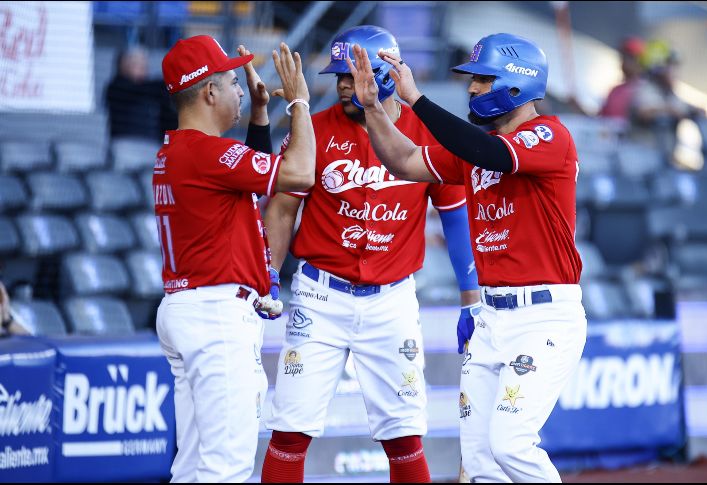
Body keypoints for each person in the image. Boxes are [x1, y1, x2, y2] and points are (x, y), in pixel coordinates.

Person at [347, 33, 587, 482]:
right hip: (491, 317)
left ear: (516, 83)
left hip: (544, 316)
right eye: (471, 80)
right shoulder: (476, 150)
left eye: (482, 78)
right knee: (479, 462)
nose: (472, 89)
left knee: (511, 443)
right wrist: (373, 110)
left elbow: (489, 153)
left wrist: (416, 99)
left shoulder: (549, 134)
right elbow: (403, 161)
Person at [259, 25, 479, 484]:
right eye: (337, 75)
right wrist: (264, 278)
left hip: (391, 298)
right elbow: (281, 209)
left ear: (381, 75)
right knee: (289, 431)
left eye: (350, 74)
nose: (340, 84)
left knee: (404, 437)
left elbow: (457, 220)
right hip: (320, 294)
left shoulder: (427, 131)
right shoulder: (313, 128)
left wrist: (470, 298)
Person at [153, 35, 315, 482]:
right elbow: (300, 174)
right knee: (226, 469)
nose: (242, 88)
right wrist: (299, 103)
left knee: (192, 467)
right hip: (215, 318)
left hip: (190, 308)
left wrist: (260, 116)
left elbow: (245, 179)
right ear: (208, 92)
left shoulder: (180, 150)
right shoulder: (204, 153)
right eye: (231, 80)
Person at [106, 46, 176, 143]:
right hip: (126, 144)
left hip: (153, 144)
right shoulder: (116, 87)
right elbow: (139, 90)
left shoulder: (154, 90)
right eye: (137, 66)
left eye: (145, 66)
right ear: (124, 65)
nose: (143, 70)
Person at [598, 36, 646, 121]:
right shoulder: (615, 91)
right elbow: (598, 120)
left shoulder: (646, 91)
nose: (623, 62)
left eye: (628, 58)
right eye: (623, 57)